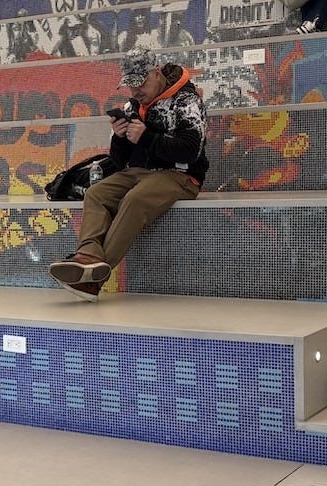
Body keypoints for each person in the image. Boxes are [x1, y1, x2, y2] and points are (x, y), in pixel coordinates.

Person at [48, 47, 208, 301]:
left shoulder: (187, 101)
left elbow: (190, 151)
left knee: (135, 199)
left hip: (180, 175)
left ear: (156, 73)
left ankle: (94, 277)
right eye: (131, 87)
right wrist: (120, 138)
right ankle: (87, 256)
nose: (136, 92)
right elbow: (118, 160)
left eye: (140, 84)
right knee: (97, 193)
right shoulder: (132, 106)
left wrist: (147, 138)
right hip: (136, 172)